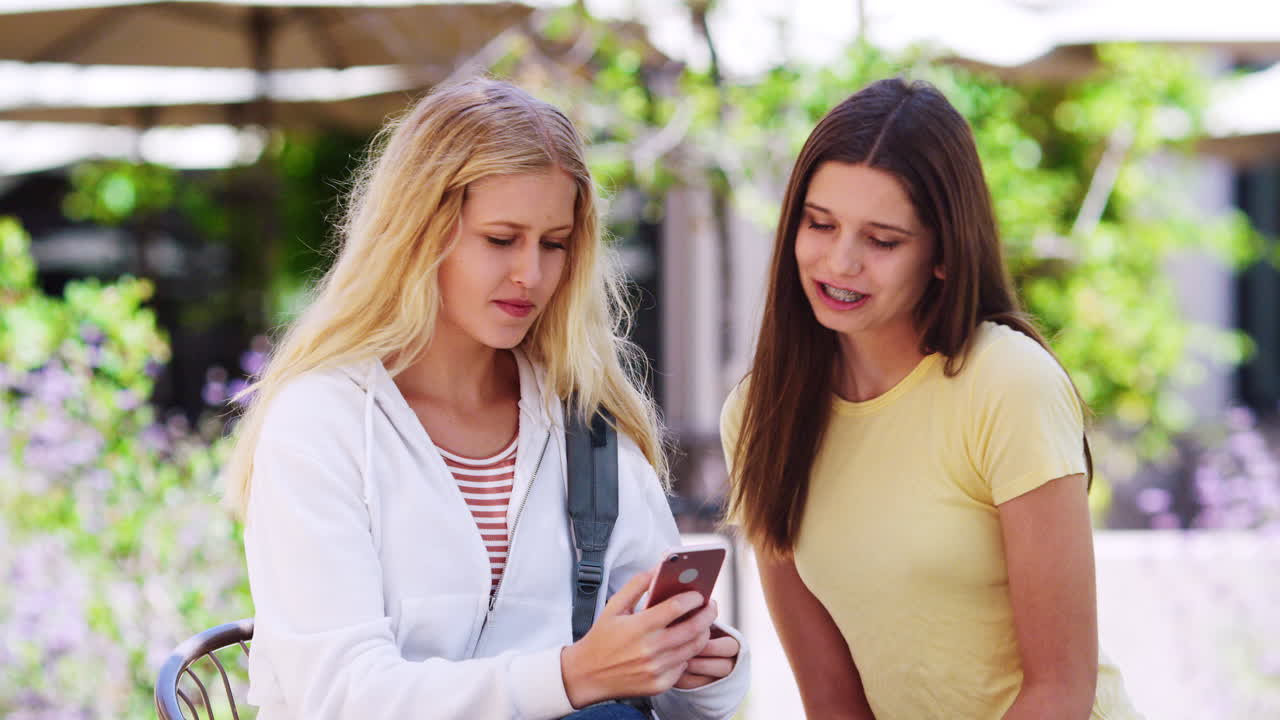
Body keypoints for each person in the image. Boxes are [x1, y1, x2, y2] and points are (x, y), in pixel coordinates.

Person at [224, 78, 748, 720]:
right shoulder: (322, 422)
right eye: (501, 239)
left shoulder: (584, 427)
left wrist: (698, 664)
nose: (531, 274)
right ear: (420, 232)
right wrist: (570, 676)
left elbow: (680, 701)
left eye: (554, 244)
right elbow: (341, 698)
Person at [720, 77, 1142, 719]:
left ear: (944, 253)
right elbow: (832, 703)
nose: (840, 261)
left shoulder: (1007, 384)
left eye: (882, 240)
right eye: (820, 223)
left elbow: (1059, 689)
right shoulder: (760, 416)